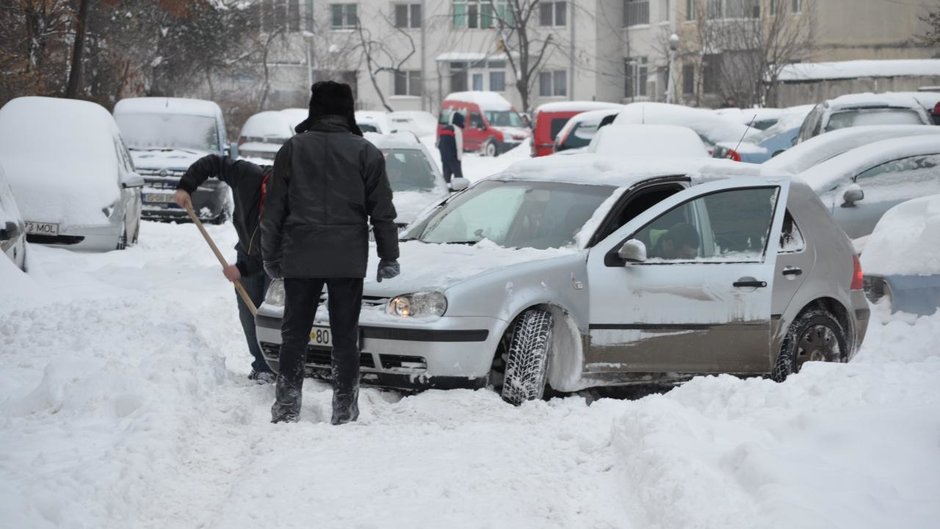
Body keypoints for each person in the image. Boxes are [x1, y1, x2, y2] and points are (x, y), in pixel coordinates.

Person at [261, 81, 400, 425]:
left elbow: (273, 211)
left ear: (315, 109)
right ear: (347, 110)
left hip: (301, 254)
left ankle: (287, 406)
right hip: (346, 257)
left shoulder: (293, 149)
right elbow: (382, 210)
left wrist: (270, 255)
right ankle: (344, 408)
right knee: (345, 336)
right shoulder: (365, 152)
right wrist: (388, 255)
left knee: (294, 334)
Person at [174, 155, 277, 385]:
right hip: (248, 251)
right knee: (248, 313)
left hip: (277, 259)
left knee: (272, 312)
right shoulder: (246, 174)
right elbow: (212, 163)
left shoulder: (296, 198)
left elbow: (285, 246)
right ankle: (261, 366)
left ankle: (277, 365)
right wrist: (185, 186)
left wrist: (242, 269)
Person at [437, 111, 464, 187]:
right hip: (454, 159)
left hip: (444, 158)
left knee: (446, 180)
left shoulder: (444, 128)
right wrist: (459, 159)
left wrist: (443, 156)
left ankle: (445, 194)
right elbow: (459, 145)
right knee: (459, 180)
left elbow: (439, 144)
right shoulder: (456, 130)